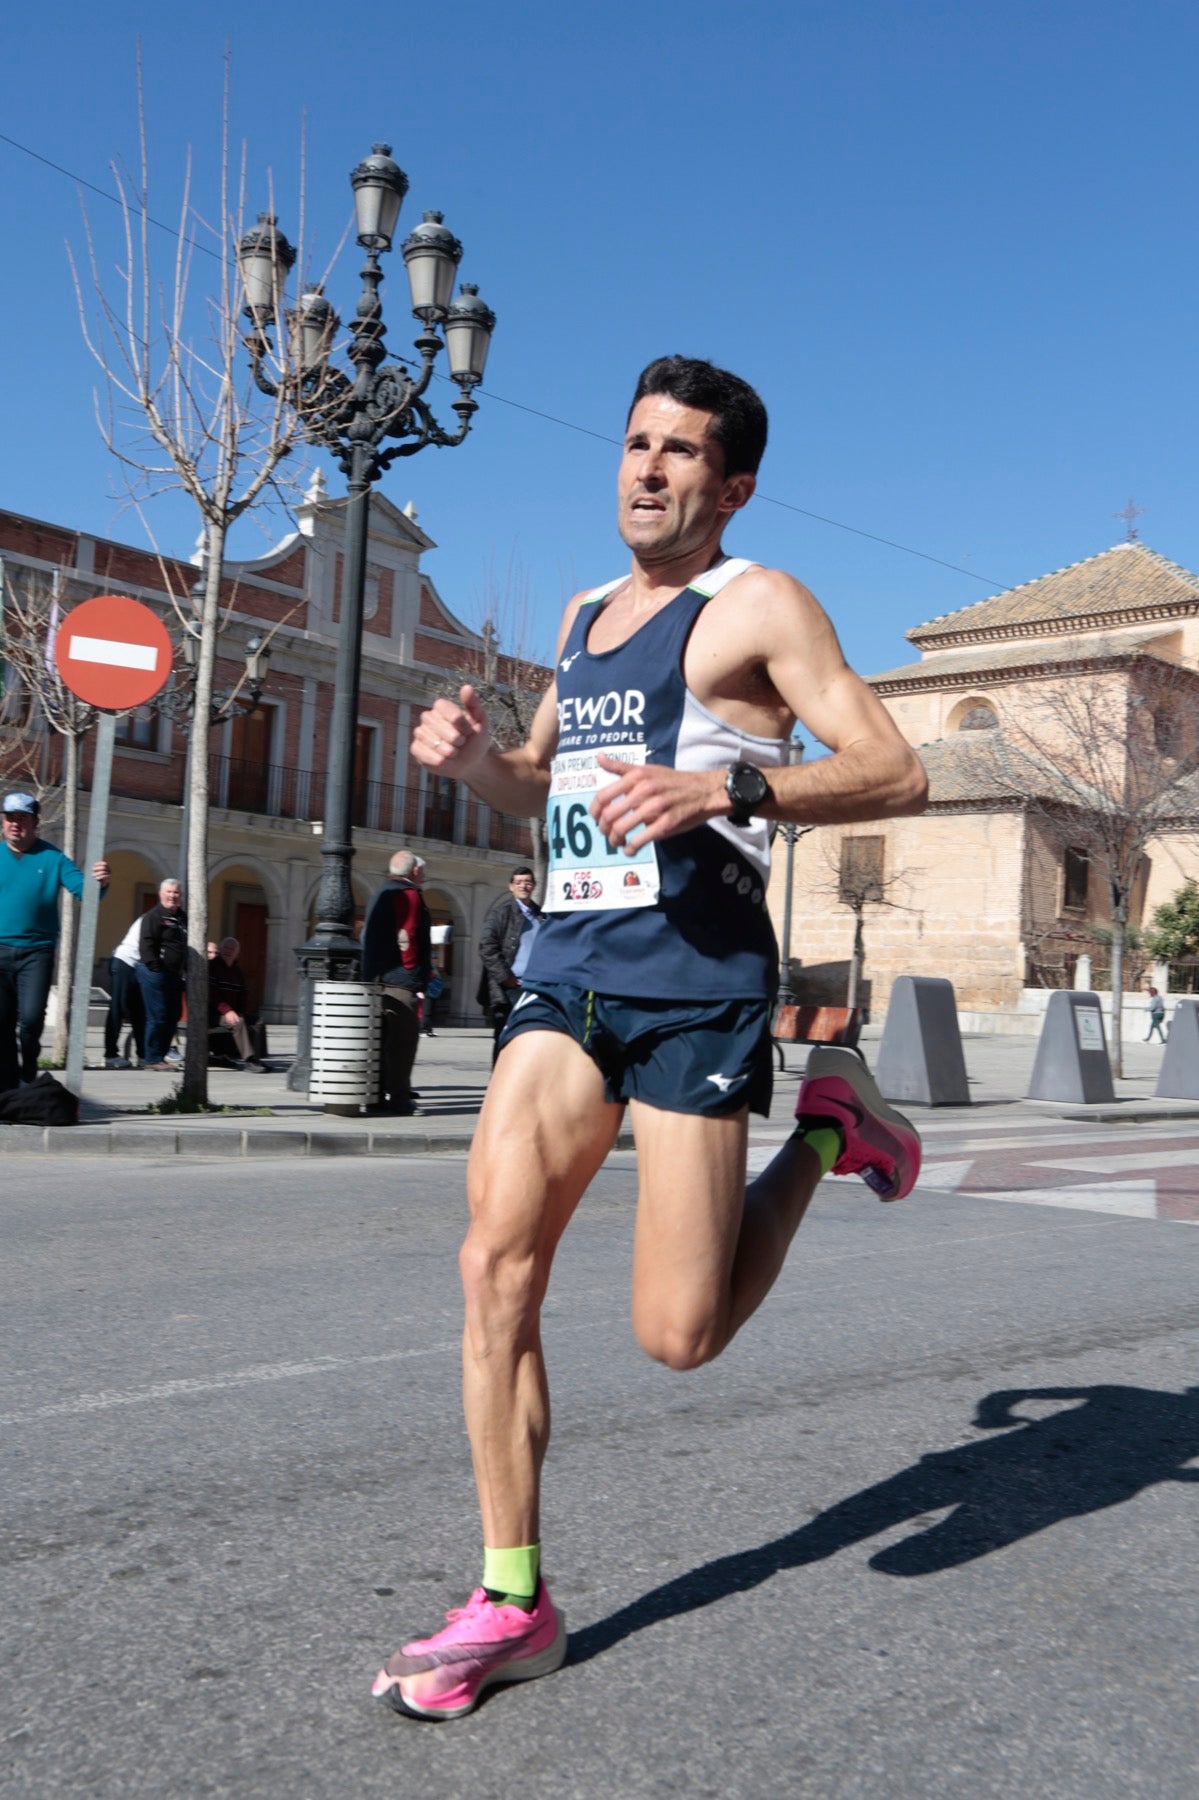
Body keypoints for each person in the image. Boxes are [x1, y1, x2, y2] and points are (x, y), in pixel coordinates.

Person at [371, 355, 928, 1720]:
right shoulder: (580, 615)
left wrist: (729, 789)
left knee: (679, 1335)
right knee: (492, 1263)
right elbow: (537, 781)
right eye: (635, 443)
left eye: (680, 453)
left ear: (730, 488)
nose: (646, 469)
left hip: (694, 988)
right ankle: (512, 1600)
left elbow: (894, 768)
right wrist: (476, 764)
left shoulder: (760, 605)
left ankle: (826, 1129)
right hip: (567, 973)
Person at [0, 791, 110, 1094]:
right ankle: (7, 1090)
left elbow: (84, 892)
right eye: (10, 818)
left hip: (36, 951)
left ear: (36, 823)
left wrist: (101, 882)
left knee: (32, 1018)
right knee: (1, 1023)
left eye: (23, 819)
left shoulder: (53, 858)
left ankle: (30, 1060)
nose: (15, 824)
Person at [361, 851, 432, 1115]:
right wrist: (412, 970)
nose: (423, 875)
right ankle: (399, 1098)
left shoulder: (381, 891)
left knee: (378, 1042)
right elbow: (407, 934)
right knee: (402, 1044)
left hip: (377, 979)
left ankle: (375, 1096)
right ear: (414, 871)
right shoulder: (408, 894)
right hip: (400, 981)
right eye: (422, 871)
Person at [478, 867, 541, 1061]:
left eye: (528, 882)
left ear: (534, 886)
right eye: (519, 882)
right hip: (510, 990)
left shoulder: (542, 916)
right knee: (505, 1040)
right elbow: (487, 947)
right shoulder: (501, 913)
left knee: (531, 1040)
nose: (523, 886)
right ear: (511, 887)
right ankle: (500, 1079)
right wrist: (506, 978)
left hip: (535, 988)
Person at [136, 879, 187, 1070]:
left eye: (176, 893)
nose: (172, 896)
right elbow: (146, 945)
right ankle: (152, 1058)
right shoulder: (154, 916)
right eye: (169, 892)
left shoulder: (182, 918)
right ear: (160, 894)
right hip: (155, 973)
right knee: (158, 1015)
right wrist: (156, 967)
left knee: (174, 1015)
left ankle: (161, 1055)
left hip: (174, 975)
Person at [208, 937, 265, 1070]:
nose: (228, 951)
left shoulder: (237, 972)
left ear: (237, 953)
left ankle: (256, 1059)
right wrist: (227, 1011)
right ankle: (249, 1061)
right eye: (226, 948)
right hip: (212, 1013)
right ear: (220, 950)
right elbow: (212, 994)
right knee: (238, 1022)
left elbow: (243, 995)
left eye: (232, 949)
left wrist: (240, 1012)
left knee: (257, 1021)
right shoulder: (211, 967)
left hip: (230, 1012)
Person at [104, 914, 146, 1068]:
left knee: (139, 1013)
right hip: (125, 962)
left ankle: (143, 1055)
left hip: (137, 966)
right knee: (118, 1009)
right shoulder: (153, 918)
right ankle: (110, 1055)